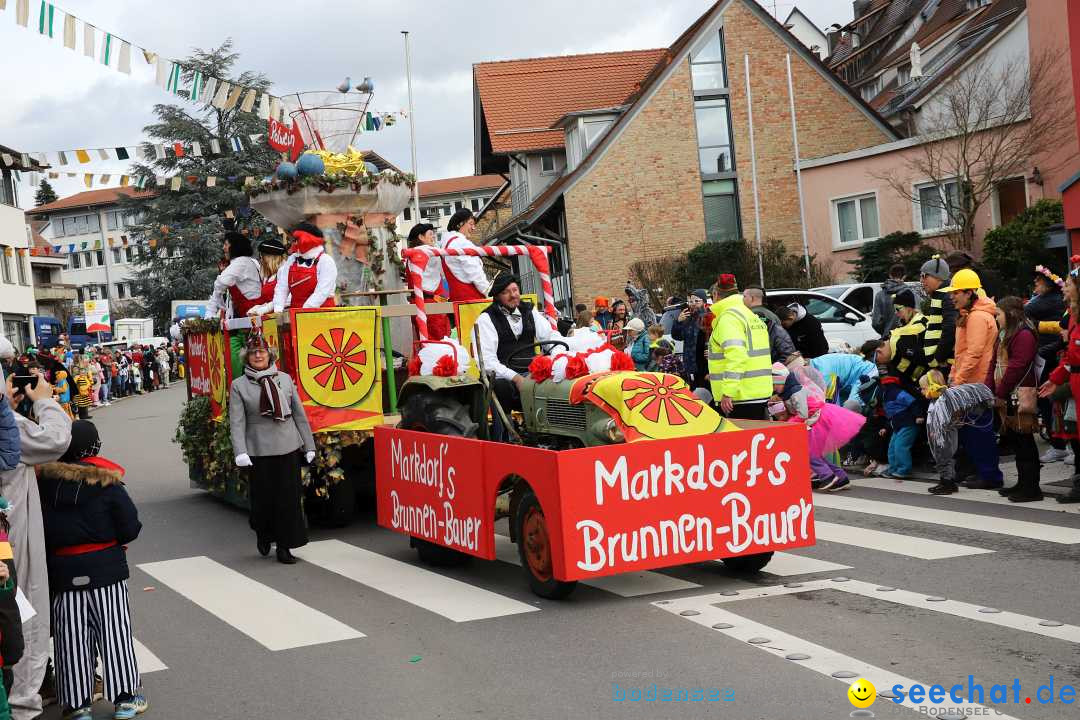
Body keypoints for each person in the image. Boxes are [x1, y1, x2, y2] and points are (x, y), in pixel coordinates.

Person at [37, 421, 146, 720]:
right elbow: (130, 526)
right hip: (105, 569)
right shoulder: (108, 482)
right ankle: (126, 699)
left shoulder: (44, 485)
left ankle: (77, 705)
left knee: (70, 637)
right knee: (114, 633)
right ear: (95, 446)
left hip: (63, 571)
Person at [0, 373, 71, 720]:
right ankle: (22, 702)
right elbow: (55, 440)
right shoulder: (8, 425)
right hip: (8, 540)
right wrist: (43, 399)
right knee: (22, 615)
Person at [229, 333, 316, 564]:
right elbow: (237, 422)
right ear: (247, 357)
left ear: (270, 354)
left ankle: (285, 546)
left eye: (262, 351)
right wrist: (240, 451)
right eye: (253, 352)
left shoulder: (285, 379)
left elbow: (299, 414)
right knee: (263, 500)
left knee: (288, 499)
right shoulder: (238, 386)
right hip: (258, 451)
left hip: (288, 446)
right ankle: (262, 532)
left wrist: (309, 445)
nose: (258, 355)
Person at [942, 268, 1001, 490]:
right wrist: (954, 377)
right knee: (972, 430)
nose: (952, 296)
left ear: (969, 293)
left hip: (975, 384)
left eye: (956, 292)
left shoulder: (976, 317)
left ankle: (990, 475)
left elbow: (973, 354)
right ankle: (982, 472)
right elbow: (962, 353)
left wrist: (957, 381)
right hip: (971, 382)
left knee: (979, 431)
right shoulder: (972, 315)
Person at [475, 273, 569, 414]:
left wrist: (559, 358)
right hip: (505, 377)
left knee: (562, 380)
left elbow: (549, 336)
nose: (513, 295)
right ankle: (504, 434)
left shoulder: (529, 310)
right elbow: (487, 362)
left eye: (515, 290)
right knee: (501, 387)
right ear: (497, 297)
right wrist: (516, 378)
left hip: (531, 372)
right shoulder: (486, 319)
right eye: (506, 292)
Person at [988, 297, 1041, 502]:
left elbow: (1018, 366)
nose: (996, 318)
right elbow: (994, 363)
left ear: (1010, 314)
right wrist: (991, 389)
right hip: (1007, 392)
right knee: (1016, 439)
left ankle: (1031, 487)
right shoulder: (1004, 334)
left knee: (1024, 439)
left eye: (998, 314)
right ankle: (1022, 482)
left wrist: (1000, 392)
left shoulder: (1024, 334)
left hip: (1018, 392)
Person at [1039, 268, 1080, 503]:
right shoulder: (1073, 314)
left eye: (1068, 283)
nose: (1064, 286)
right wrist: (1054, 380)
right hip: (1073, 378)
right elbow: (1069, 358)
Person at [707, 274, 772, 420]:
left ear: (716, 294)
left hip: (740, 396)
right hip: (757, 392)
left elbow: (737, 355)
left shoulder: (728, 318)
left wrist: (728, 391)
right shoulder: (748, 315)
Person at [1025, 266, 1068, 463]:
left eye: (1039, 280)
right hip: (1050, 355)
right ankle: (1059, 444)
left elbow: (1024, 310)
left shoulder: (1047, 301)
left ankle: (1058, 445)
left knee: (1048, 401)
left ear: (1049, 284)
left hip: (1049, 357)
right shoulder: (1050, 299)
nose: (1035, 283)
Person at [874, 340, 921, 479]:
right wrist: (886, 427)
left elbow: (912, 402)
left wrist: (918, 415)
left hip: (907, 424)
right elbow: (891, 415)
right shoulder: (887, 396)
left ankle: (903, 470)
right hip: (898, 425)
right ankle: (894, 468)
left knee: (900, 447)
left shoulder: (896, 393)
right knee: (892, 448)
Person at [272, 223, 338, 314]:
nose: (293, 243)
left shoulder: (325, 261)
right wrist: (278, 309)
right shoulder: (292, 259)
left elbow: (322, 292)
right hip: (295, 312)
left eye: (296, 240)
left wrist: (304, 312)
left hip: (321, 313)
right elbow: (282, 286)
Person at [206, 231, 263, 320]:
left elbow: (220, 283)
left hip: (251, 313)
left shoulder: (241, 263)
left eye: (226, 244)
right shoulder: (251, 261)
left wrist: (210, 312)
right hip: (253, 311)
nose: (223, 248)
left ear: (235, 247)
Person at [438, 210, 488, 302]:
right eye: (471, 224)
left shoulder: (446, 245)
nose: (473, 228)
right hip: (473, 301)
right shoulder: (462, 243)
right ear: (460, 224)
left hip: (458, 301)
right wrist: (489, 293)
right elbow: (476, 273)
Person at [883, 288, 928, 388]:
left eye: (898, 309)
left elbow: (900, 336)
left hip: (923, 377)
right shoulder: (904, 323)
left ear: (909, 308)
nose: (896, 313)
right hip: (910, 377)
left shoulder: (921, 322)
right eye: (894, 310)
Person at [743, 285, 799, 364]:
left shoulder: (748, 315)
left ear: (752, 298)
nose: (742, 299)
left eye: (744, 296)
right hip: (775, 364)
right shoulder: (773, 316)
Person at [919, 257, 957, 371]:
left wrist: (939, 357)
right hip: (941, 363)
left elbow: (950, 327)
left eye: (924, 276)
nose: (921, 280)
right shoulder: (940, 295)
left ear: (938, 276)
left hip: (946, 364)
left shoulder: (947, 295)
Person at [809, 352, 877, 409]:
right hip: (848, 380)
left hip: (865, 372)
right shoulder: (813, 366)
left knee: (849, 407)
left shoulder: (825, 374)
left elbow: (832, 405)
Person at [671, 290, 709, 389]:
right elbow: (677, 336)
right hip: (690, 367)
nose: (693, 304)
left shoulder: (708, 317)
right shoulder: (688, 318)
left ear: (704, 302)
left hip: (704, 366)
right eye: (691, 302)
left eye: (697, 301)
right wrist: (678, 322)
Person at [245, 235, 289, 317]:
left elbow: (286, 298)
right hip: (270, 319)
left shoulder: (284, 271)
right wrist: (257, 308)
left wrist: (266, 309)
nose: (261, 260)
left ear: (272, 257)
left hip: (282, 317)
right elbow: (268, 301)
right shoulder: (268, 277)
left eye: (263, 256)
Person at [872, 263, 908, 336]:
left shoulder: (880, 295)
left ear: (890, 275)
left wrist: (886, 330)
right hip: (909, 337)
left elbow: (876, 323)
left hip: (888, 337)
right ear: (904, 276)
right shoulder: (912, 293)